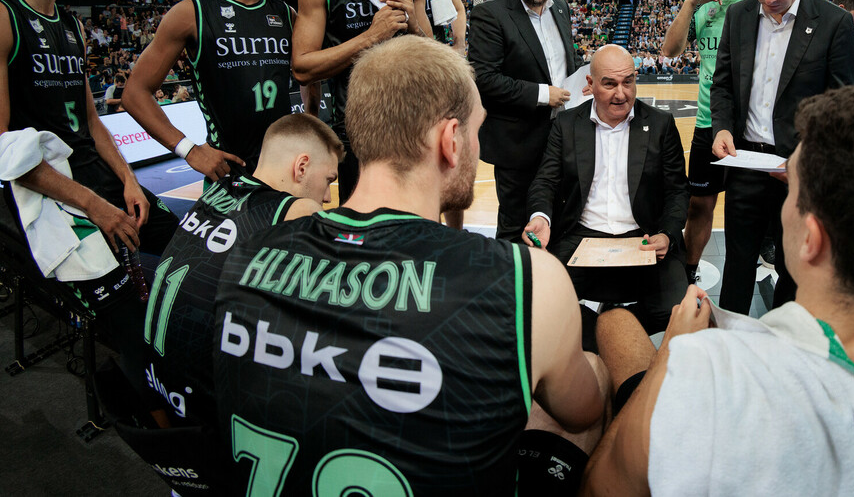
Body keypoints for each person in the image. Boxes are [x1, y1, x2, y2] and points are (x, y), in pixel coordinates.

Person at [213, 36, 607, 495]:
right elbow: (582, 412)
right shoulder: (527, 278)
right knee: (595, 367)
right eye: (476, 129)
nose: (478, 145)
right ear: (451, 140)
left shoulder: (246, 254)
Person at [584, 86, 854, 495]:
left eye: (792, 190)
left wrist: (670, 353)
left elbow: (599, 488)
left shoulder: (713, 371)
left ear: (811, 239)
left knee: (614, 325)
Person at [1, 0, 177, 384]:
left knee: (186, 245)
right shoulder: (4, 17)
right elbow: (4, 149)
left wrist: (130, 182)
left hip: (97, 175)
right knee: (130, 322)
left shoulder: (71, 25)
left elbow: (93, 123)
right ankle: (148, 407)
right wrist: (96, 208)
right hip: (48, 194)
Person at [142, 113, 341, 429]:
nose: (328, 196)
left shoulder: (218, 189)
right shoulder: (298, 210)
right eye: (329, 179)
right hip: (214, 416)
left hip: (160, 390)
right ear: (301, 166)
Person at [710, 0, 854, 314]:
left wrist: (807, 157)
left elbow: (840, 107)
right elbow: (722, 84)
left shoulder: (834, 23)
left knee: (793, 267)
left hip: (797, 168)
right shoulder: (739, 15)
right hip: (745, 162)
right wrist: (722, 127)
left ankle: (782, 337)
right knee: (738, 262)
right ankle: (731, 335)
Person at [523, 44, 689, 334]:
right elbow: (545, 181)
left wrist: (667, 233)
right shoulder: (566, 124)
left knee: (676, 310)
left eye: (628, 82)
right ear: (590, 83)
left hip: (645, 235)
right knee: (536, 302)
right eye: (610, 84)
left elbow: (677, 191)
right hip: (581, 235)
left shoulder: (661, 124)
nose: (621, 94)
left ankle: (614, 332)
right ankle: (604, 334)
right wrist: (541, 217)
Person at [291, 0, 433, 202]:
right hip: (356, 134)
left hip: (411, 126)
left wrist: (412, 23)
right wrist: (371, 36)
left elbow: (431, 54)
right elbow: (302, 67)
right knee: (361, 224)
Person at [123, 0, 294, 180]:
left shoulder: (286, 14)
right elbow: (134, 93)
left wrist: (311, 121)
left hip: (286, 167)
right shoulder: (192, 13)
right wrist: (189, 150)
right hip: (231, 172)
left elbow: (312, 71)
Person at [660, 0, 753, 283]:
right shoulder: (702, 6)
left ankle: (752, 262)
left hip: (748, 124)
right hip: (706, 122)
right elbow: (670, 51)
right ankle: (688, 271)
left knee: (748, 206)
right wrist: (689, 4)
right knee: (699, 204)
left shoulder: (758, 2)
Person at [469, 0, 576, 240]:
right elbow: (484, 78)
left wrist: (586, 75)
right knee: (516, 228)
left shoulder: (561, 8)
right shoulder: (490, 14)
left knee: (560, 219)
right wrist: (544, 94)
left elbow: (564, 61)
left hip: (561, 138)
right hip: (518, 144)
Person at [403, 0, 469, 232]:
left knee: (453, 163)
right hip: (411, 76)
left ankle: (455, 235)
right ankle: (427, 230)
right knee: (419, 165)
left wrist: (458, 47)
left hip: (444, 71)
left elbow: (458, 9)